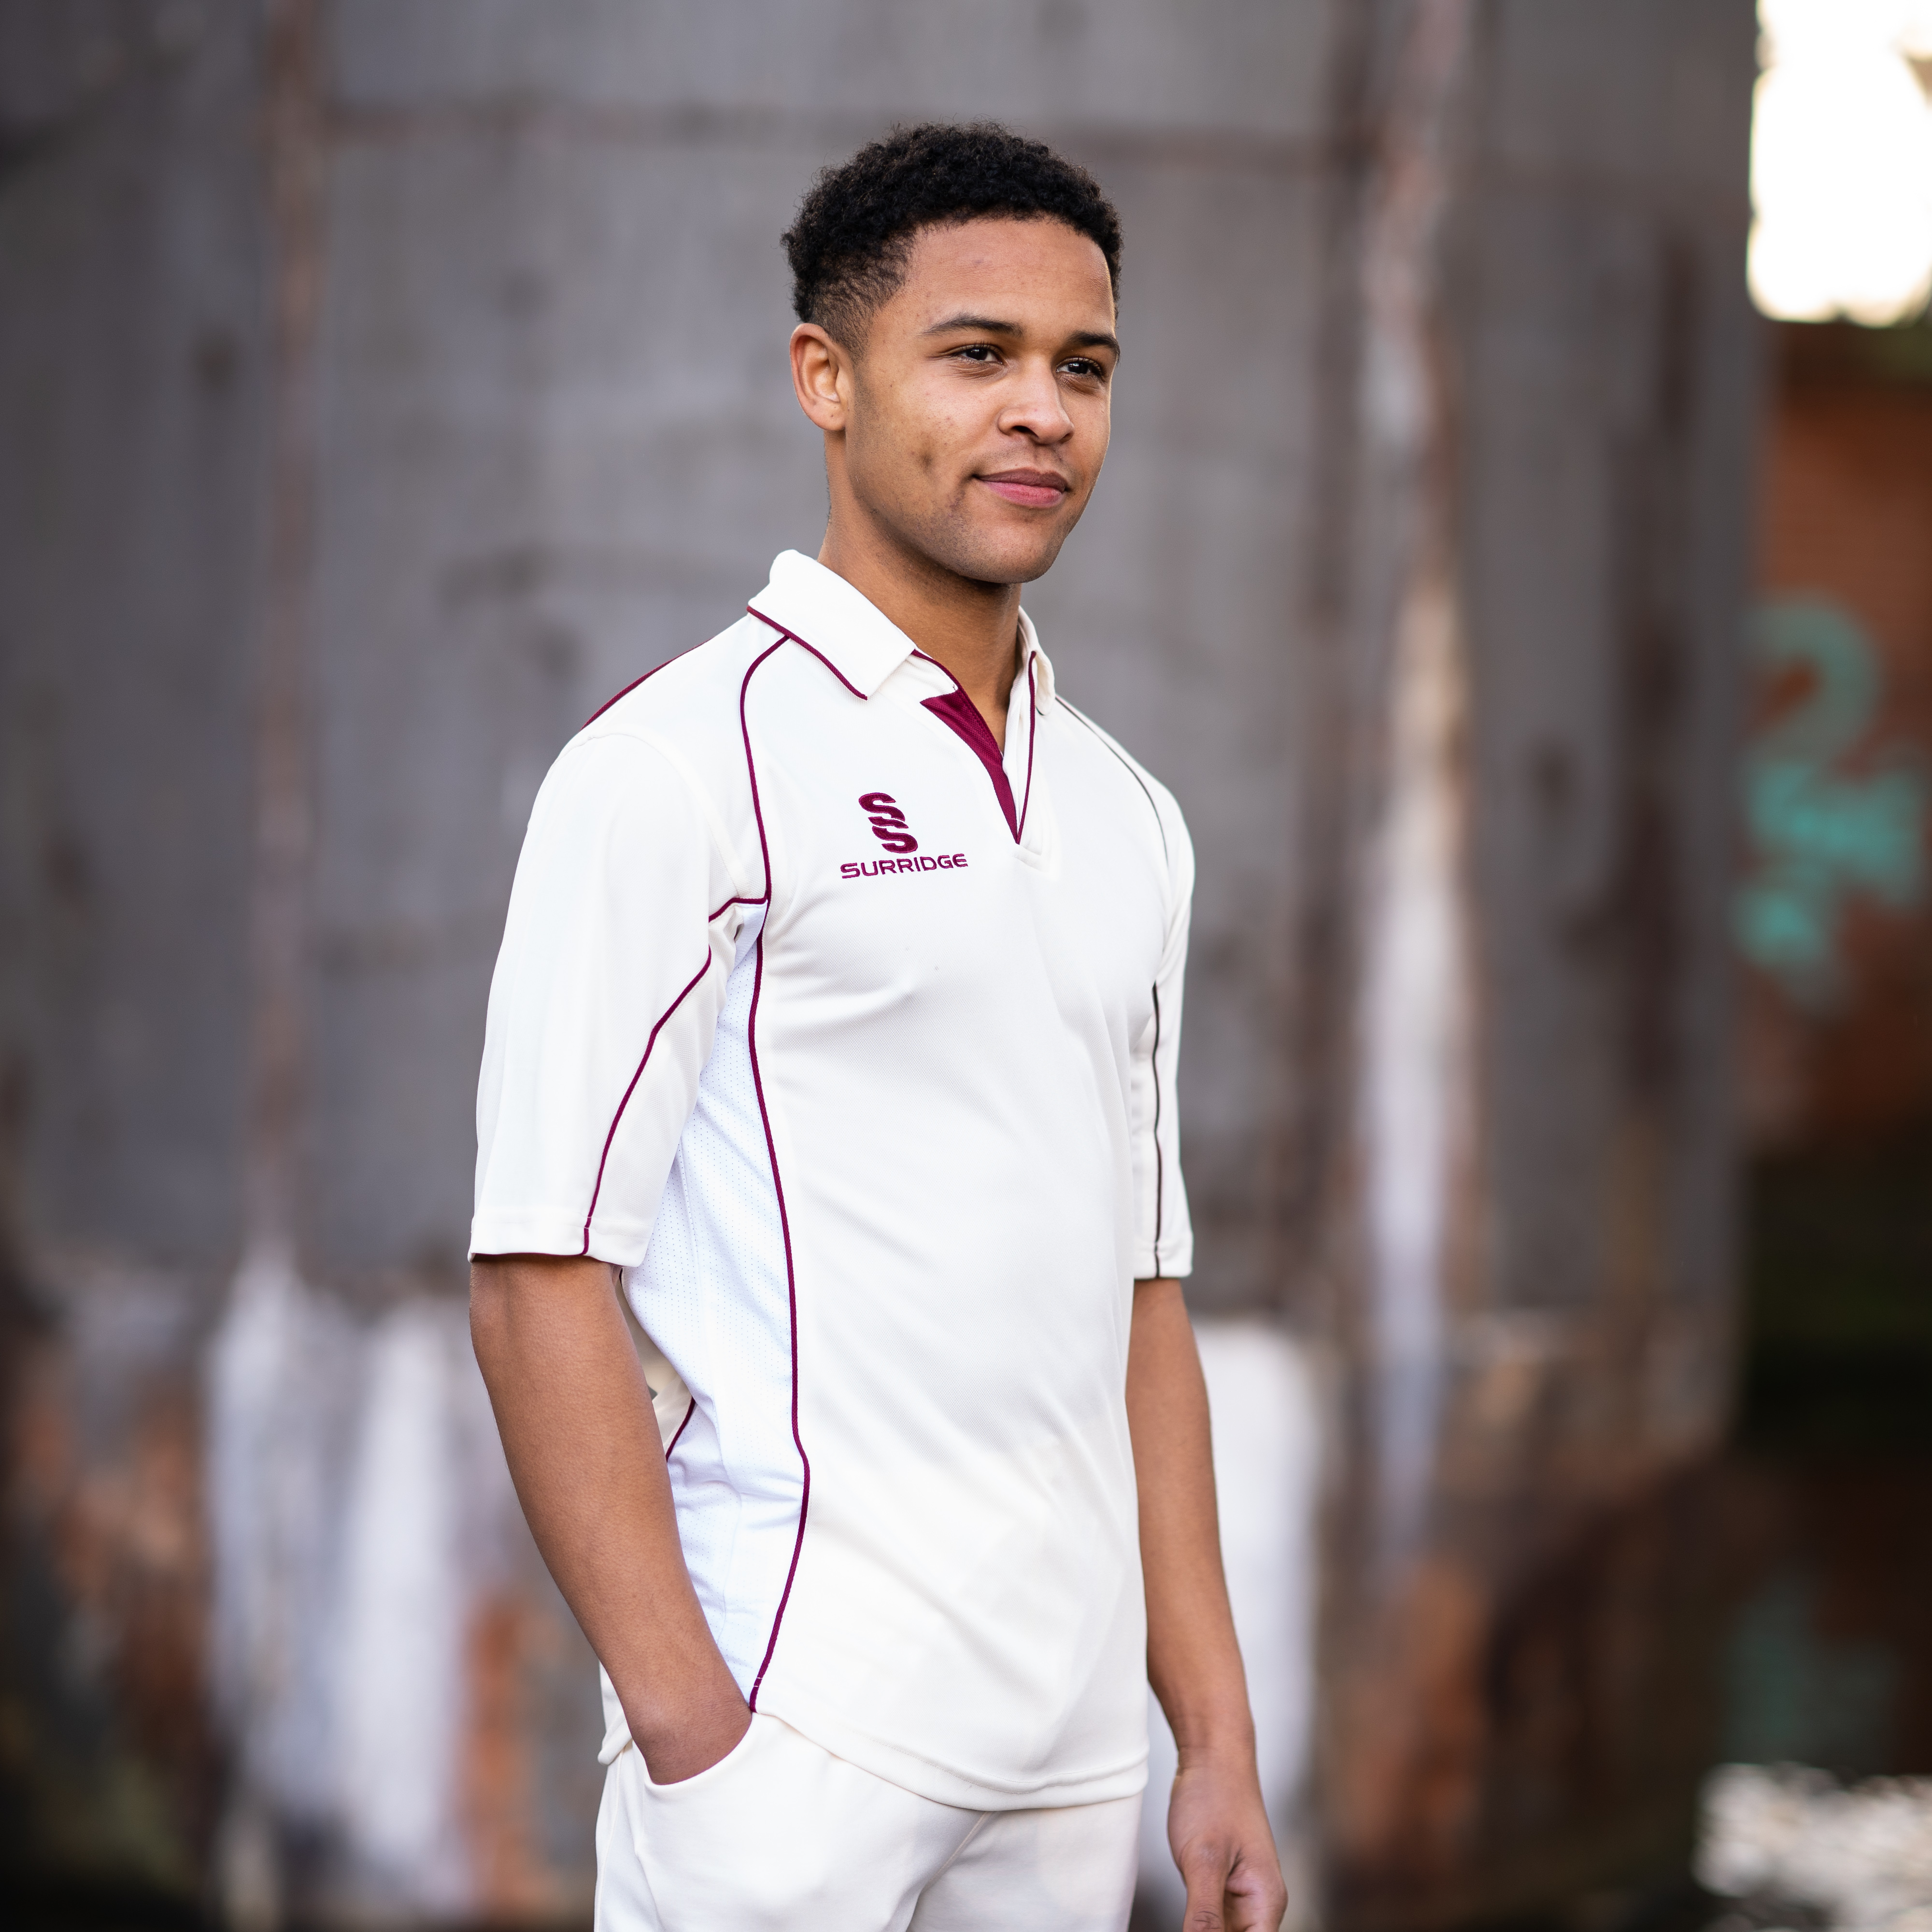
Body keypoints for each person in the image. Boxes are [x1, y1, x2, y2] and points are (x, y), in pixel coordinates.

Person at [469, 121, 1286, 1932]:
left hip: (1070, 1759)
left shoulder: (1129, 814)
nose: (1043, 413)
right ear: (825, 380)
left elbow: (1141, 1304)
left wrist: (1213, 1740)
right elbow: (537, 1274)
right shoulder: (678, 766)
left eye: (1085, 367)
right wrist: (696, 1735)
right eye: (978, 355)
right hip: (792, 1734)